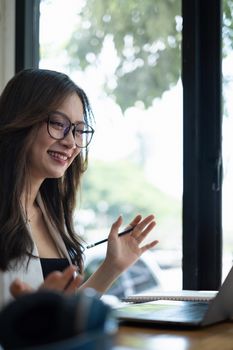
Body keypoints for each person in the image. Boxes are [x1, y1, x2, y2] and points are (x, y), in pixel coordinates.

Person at [0, 68, 158, 308]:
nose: (71, 142)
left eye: (79, 130)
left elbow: (61, 311)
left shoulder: (50, 215)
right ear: (21, 120)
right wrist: (30, 315)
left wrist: (111, 267)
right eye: (57, 123)